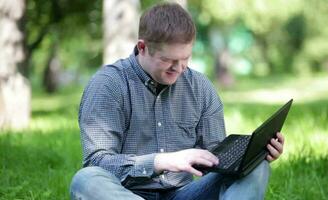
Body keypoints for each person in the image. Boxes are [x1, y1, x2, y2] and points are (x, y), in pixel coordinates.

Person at [70, 2, 284, 200]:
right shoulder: (108, 85)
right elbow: (98, 162)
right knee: (86, 179)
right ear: (142, 47)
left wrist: (253, 155)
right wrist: (162, 161)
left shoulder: (199, 87)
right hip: (126, 194)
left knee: (258, 168)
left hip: (185, 194)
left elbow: (218, 159)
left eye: (185, 59)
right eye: (168, 60)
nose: (179, 68)